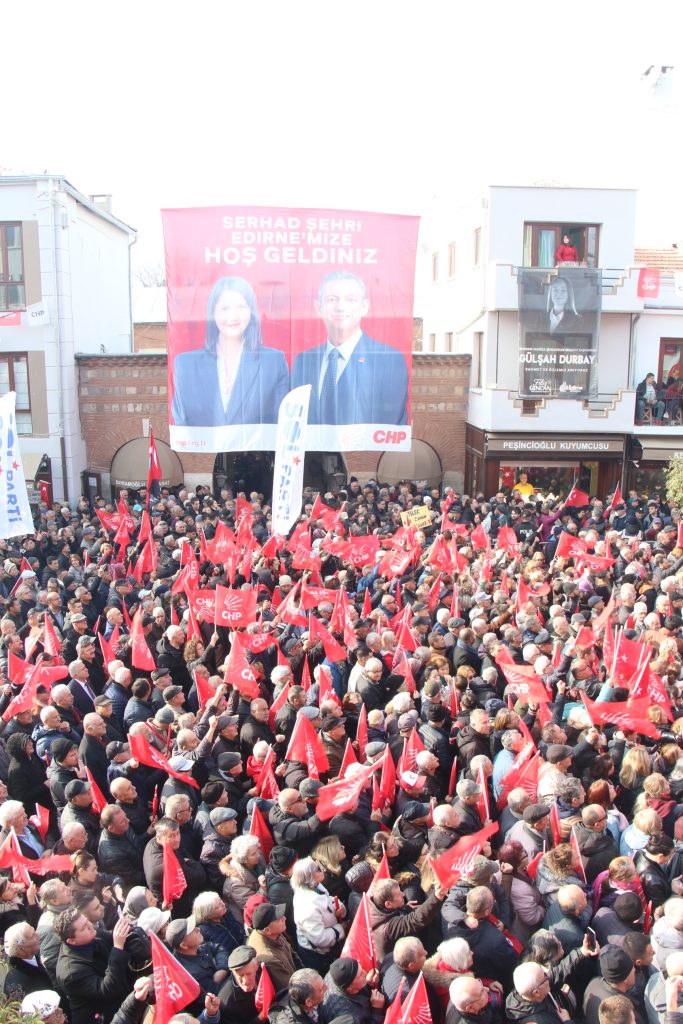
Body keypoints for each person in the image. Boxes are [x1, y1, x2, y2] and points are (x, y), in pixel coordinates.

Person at [291, 271, 409, 426]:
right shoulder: (303, 361)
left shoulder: (389, 360)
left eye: (350, 299)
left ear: (364, 307)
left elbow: (386, 424)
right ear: (318, 308)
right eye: (332, 299)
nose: (340, 307)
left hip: (361, 450)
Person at [171, 276, 289, 427]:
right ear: (213, 313)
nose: (233, 316)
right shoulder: (185, 365)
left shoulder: (273, 362)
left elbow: (280, 423)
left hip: (256, 451)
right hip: (205, 451)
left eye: (241, 307)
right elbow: (183, 422)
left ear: (251, 312)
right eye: (225, 308)